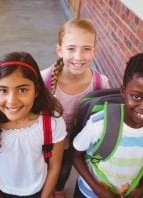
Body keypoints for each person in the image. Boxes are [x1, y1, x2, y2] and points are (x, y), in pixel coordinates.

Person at [72, 52, 143, 197]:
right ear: (123, 91)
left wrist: (142, 186)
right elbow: (75, 156)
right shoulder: (99, 124)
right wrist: (99, 190)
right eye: (137, 96)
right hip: (89, 193)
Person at [0, 51, 67, 197]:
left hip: (39, 190)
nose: (12, 101)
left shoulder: (52, 123)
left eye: (22, 90)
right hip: (3, 191)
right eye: (3, 90)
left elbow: (55, 167)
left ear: (36, 90)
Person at [41, 18, 110, 197]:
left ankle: (58, 189)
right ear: (59, 50)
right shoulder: (43, 79)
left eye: (86, 49)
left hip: (76, 143)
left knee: (64, 171)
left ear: (94, 50)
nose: (78, 57)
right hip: (45, 140)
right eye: (71, 48)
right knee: (42, 170)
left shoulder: (100, 83)